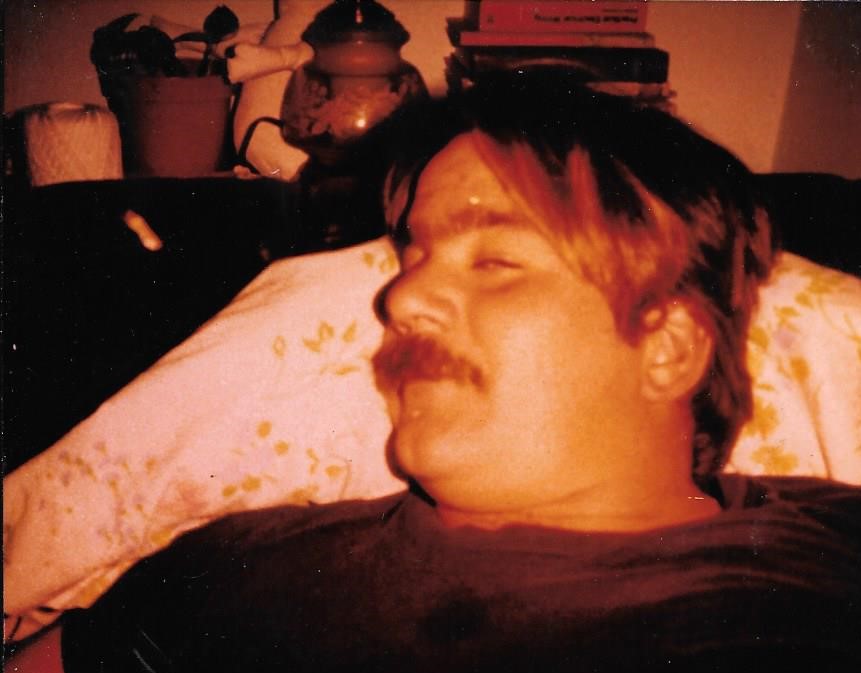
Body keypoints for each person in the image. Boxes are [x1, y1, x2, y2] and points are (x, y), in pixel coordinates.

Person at [12, 68, 861, 672]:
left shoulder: (824, 570)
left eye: (495, 261)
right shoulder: (234, 568)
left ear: (668, 344)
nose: (403, 297)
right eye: (412, 255)